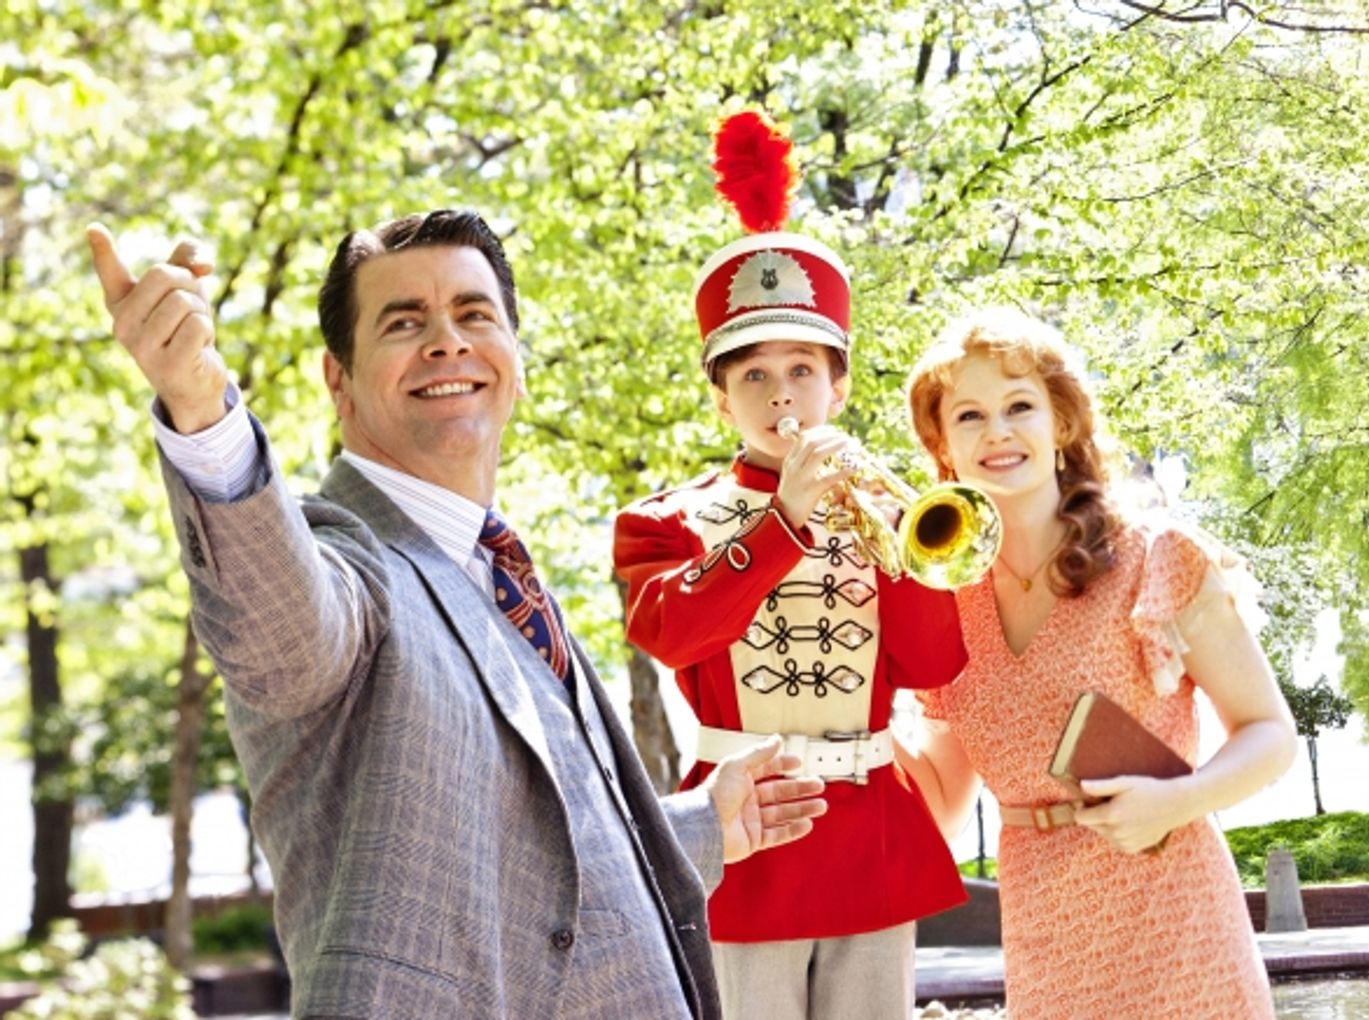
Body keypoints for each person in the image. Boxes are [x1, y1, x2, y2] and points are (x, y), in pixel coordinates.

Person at [86, 209, 830, 1019]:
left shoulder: (501, 570)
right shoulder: (350, 565)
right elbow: (279, 633)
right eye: (404, 323)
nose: (447, 342)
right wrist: (204, 414)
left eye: (474, 315)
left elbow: (525, 865)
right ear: (338, 381)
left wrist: (696, 827)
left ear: (515, 358)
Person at [612, 111, 969, 1020]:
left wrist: (896, 540)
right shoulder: (662, 521)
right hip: (746, 832)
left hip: (872, 834)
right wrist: (785, 522)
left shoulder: (889, 509)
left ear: (838, 385)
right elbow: (673, 634)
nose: (782, 396)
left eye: (803, 371)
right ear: (721, 396)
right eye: (755, 376)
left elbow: (935, 664)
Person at [900, 306, 1298, 1018]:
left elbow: (1270, 733)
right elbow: (943, 806)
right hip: (1046, 937)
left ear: (1061, 424)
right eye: (969, 416)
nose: (997, 431)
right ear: (943, 445)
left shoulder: (1155, 556)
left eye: (1020, 406)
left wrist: (1182, 800)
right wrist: (847, 714)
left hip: (1176, 913)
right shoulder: (943, 604)